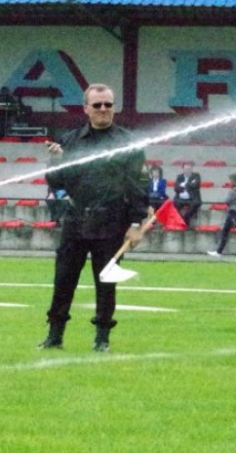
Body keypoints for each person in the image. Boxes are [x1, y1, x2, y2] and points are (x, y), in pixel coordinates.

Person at [38, 83, 148, 352]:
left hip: (112, 221)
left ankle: (102, 338)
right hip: (75, 219)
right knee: (64, 278)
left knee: (106, 282)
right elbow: (56, 183)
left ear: (114, 107)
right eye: (97, 105)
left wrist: (136, 225)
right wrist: (54, 162)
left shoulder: (128, 142)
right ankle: (55, 335)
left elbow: (138, 186)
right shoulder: (70, 141)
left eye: (108, 104)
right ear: (86, 108)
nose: (103, 109)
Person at [207, 173, 236, 257]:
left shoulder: (233, 191)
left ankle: (218, 251)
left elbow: (227, 201)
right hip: (232, 212)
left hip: (233, 212)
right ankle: (218, 251)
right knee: (225, 231)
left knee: (225, 232)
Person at [173, 163, 202, 228]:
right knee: (174, 204)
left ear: (192, 169)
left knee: (195, 204)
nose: (187, 170)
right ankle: (180, 220)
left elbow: (196, 185)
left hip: (192, 198)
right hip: (180, 198)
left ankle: (185, 220)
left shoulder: (196, 176)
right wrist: (190, 184)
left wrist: (183, 185)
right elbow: (176, 188)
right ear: (183, 169)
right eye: (186, 169)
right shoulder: (179, 177)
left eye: (189, 169)